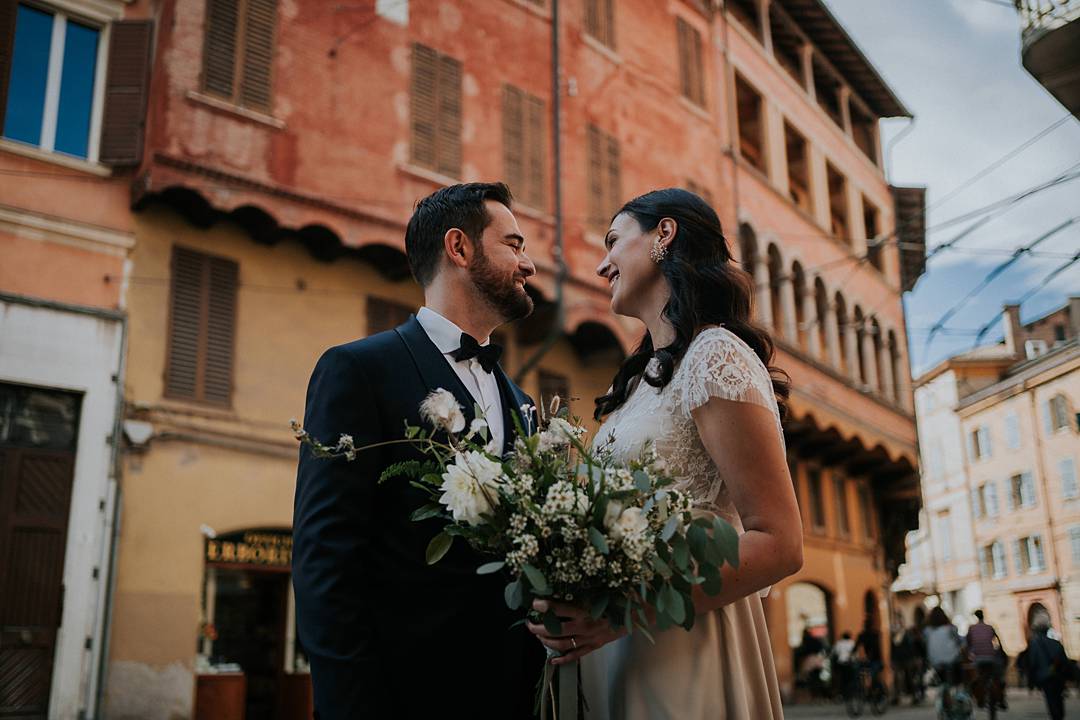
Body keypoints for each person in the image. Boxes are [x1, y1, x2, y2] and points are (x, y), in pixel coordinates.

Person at [525, 188, 804, 718]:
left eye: (613, 241)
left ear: (664, 235)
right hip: (618, 651)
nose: (603, 264)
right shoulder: (641, 384)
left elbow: (782, 543)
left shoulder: (714, 354)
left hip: (684, 641)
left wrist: (623, 612)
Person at [292, 183, 545, 717]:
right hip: (399, 696)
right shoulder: (358, 370)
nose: (530, 266)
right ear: (460, 248)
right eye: (515, 245)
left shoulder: (523, 404)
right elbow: (325, 559)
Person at [1024, 616, 1070, 720]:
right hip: (1058, 676)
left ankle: (1056, 716)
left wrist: (1032, 680)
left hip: (1045, 677)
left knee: (1050, 699)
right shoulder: (1056, 643)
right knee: (1058, 697)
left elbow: (1033, 662)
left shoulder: (1034, 644)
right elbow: (1064, 660)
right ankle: (1060, 715)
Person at [965, 609, 1006, 710]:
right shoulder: (990, 627)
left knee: (977, 678)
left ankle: (979, 700)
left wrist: (970, 654)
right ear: (983, 616)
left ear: (975, 617)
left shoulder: (971, 628)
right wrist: (999, 652)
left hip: (978, 658)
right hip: (991, 657)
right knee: (998, 678)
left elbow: (968, 644)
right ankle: (1001, 700)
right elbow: (997, 641)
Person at [924, 607, 963, 685]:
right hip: (952, 661)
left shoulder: (927, 631)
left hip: (935, 662)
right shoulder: (951, 628)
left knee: (941, 683)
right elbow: (959, 642)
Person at [833, 631, 858, 699]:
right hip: (850, 663)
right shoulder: (852, 643)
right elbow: (855, 653)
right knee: (851, 678)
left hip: (841, 663)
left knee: (842, 679)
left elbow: (836, 653)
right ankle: (851, 693)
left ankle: (843, 694)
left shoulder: (839, 643)